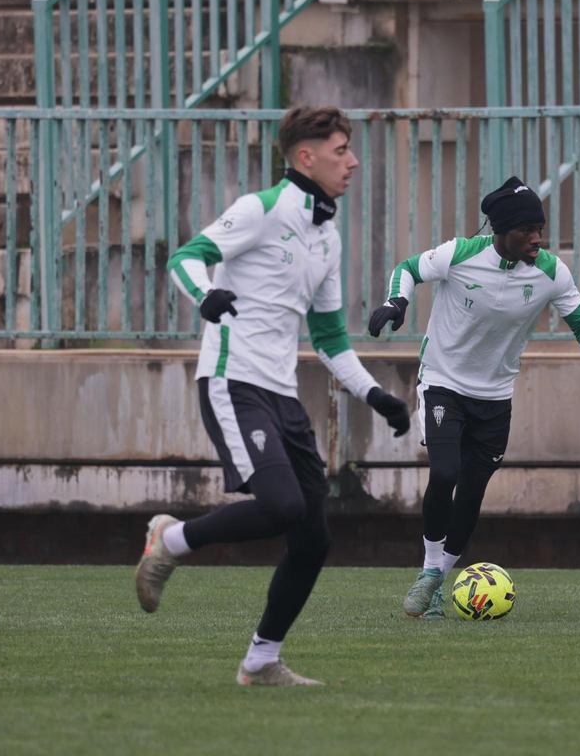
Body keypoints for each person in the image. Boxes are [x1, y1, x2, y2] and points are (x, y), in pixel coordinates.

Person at [135, 106, 411, 686]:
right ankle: (171, 539)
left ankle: (261, 661)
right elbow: (186, 258)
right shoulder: (261, 209)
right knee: (282, 506)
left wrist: (373, 395)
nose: (353, 161)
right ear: (306, 157)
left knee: (313, 539)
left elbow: (330, 336)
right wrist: (206, 296)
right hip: (233, 380)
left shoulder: (326, 236)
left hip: (282, 395)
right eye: (341, 151)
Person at [368, 176, 580, 619]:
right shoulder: (461, 253)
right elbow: (408, 268)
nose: (537, 238)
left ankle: (436, 586)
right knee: (445, 472)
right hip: (444, 380)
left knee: (471, 493)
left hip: (495, 394)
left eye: (539, 228)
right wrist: (397, 303)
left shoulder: (549, 271)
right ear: (503, 231)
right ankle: (430, 575)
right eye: (528, 230)